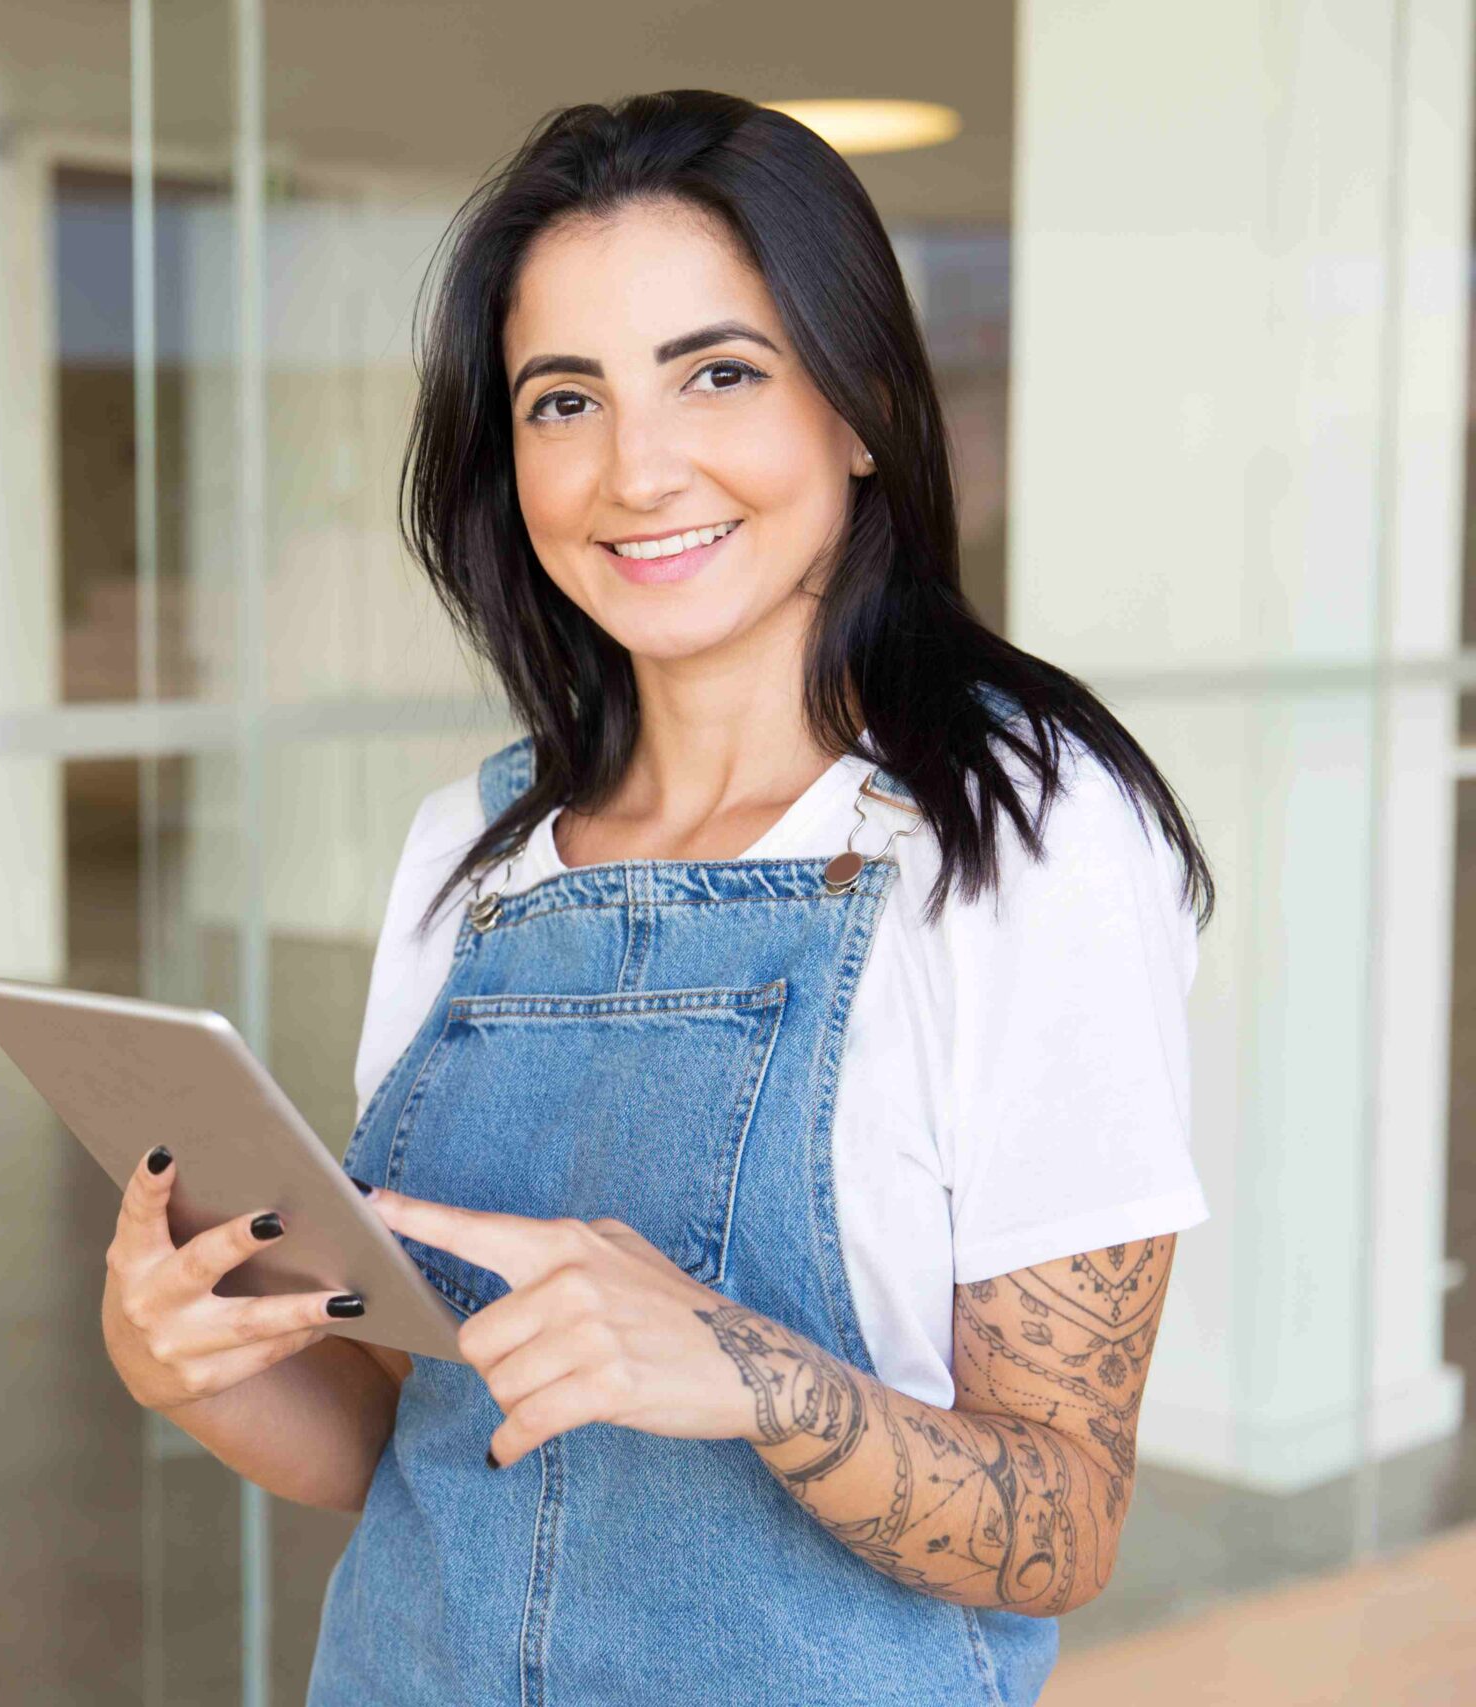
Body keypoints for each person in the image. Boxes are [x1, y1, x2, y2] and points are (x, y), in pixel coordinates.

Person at [97, 89, 1215, 1705]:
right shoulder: (467, 857)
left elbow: (1065, 1518)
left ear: (859, 405)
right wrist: (183, 1360)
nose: (637, 470)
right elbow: (402, 1442)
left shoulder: (1016, 842)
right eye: (565, 401)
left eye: (719, 374)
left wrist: (751, 1375)